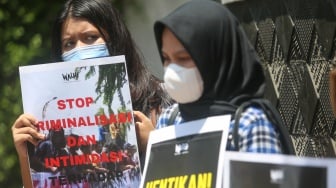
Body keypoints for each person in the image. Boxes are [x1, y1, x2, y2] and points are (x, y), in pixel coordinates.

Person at [11, 0, 171, 187]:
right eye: (69, 43)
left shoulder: (160, 101)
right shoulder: (48, 116)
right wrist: (26, 156)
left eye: (90, 38)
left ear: (115, 39)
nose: (80, 50)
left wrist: (156, 145)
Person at [153, 0, 284, 153]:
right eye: (166, 58)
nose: (172, 69)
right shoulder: (169, 120)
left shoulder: (248, 124)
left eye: (183, 58)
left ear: (216, 57)